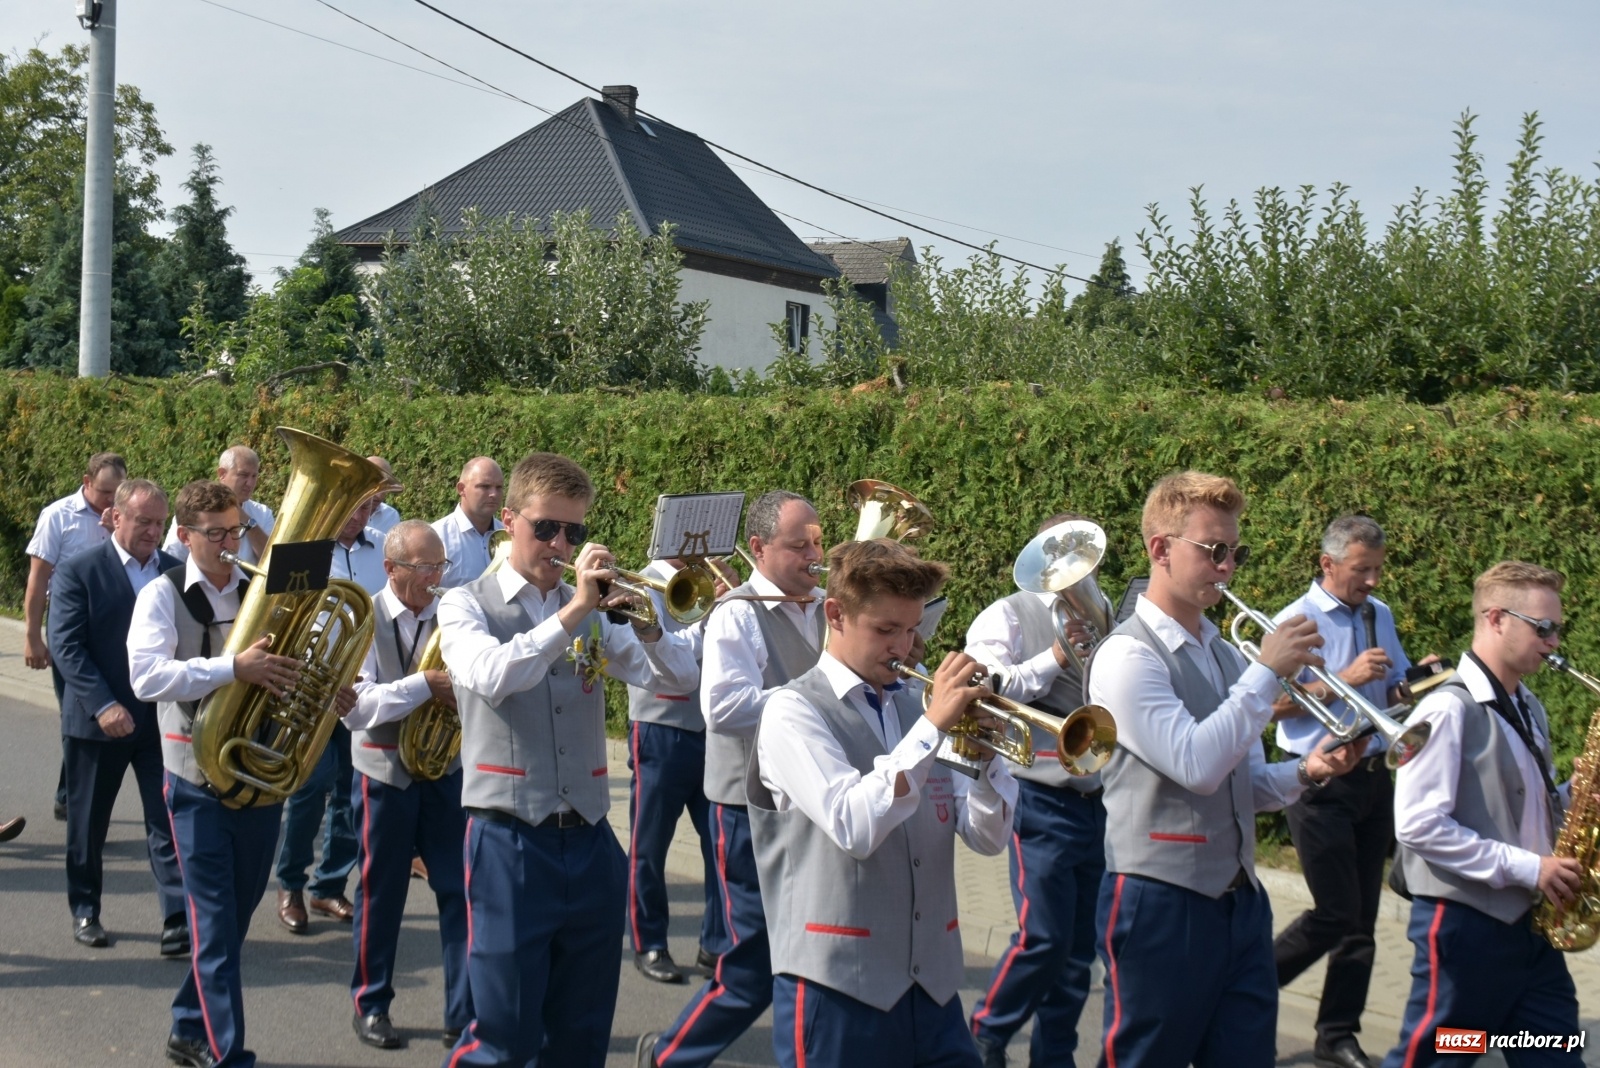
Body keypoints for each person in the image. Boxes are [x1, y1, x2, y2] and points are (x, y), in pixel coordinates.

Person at [1084, 471, 1365, 1068]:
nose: (1229, 567)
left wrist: (1310, 771)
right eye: (1214, 551)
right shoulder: (1127, 655)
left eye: (1235, 551)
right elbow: (1197, 765)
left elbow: (1242, 785)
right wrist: (1265, 675)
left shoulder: (1221, 650)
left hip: (1240, 902)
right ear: (1160, 549)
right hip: (1159, 899)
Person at [437, 451, 699, 1068]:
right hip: (508, 840)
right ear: (507, 520)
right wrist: (576, 610)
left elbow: (678, 680)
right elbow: (493, 676)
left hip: (588, 840)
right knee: (503, 1037)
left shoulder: (595, 612)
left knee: (581, 1036)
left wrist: (648, 626)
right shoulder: (464, 603)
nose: (560, 543)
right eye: (546, 528)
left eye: (574, 532)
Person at [748, 538, 1016, 1067]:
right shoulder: (791, 710)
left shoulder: (918, 708)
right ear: (836, 615)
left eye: (912, 628)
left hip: (935, 992)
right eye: (885, 630)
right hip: (839, 988)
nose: (902, 647)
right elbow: (854, 826)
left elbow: (987, 837)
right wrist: (932, 728)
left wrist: (986, 765)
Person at [131, 479, 355, 1068]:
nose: (231, 543)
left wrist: (325, 684)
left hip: (257, 777)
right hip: (194, 781)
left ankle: (186, 1027)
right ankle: (228, 1053)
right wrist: (234, 668)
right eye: (215, 534)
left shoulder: (269, 586)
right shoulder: (162, 596)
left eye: (235, 529)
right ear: (184, 537)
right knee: (212, 925)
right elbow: (146, 678)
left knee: (232, 920)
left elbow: (298, 661)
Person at [640, 491, 826, 1068]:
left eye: (819, 542)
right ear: (758, 548)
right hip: (747, 807)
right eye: (799, 545)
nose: (814, 555)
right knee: (748, 967)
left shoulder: (827, 605)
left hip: (809, 802)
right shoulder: (737, 612)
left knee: (812, 953)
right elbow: (724, 708)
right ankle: (669, 1055)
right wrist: (818, 695)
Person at [1382, 561, 1584, 1068]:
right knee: (1440, 1056)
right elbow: (1417, 824)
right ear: (1495, 618)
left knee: (1554, 1051)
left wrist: (1577, 793)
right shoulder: (1446, 709)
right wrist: (1530, 868)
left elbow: (1522, 807)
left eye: (1557, 628)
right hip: (1466, 930)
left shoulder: (1528, 705)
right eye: (1543, 628)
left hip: (1529, 930)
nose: (1554, 641)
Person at [1271, 516, 1421, 1068]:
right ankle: (1243, 988)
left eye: (1378, 569)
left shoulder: (1377, 614)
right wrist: (1346, 680)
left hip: (1373, 775)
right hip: (1315, 778)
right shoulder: (1295, 620)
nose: (1374, 581)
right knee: (1334, 911)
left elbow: (1396, 684)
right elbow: (1267, 705)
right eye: (1363, 570)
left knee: (1361, 919)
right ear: (1328, 564)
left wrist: (1420, 680)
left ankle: (1336, 1034)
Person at [967, 513, 1106, 1068]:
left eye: (1083, 563)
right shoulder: (1007, 614)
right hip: (1039, 791)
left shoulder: (1101, 609)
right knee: (1043, 938)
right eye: (1066, 561)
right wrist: (1053, 656)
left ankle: (1056, 1056)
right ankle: (987, 1031)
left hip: (1094, 792)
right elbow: (991, 688)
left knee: (1078, 952)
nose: (1076, 576)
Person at [343, 520, 472, 1050]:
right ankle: (370, 1005)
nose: (435, 577)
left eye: (440, 566)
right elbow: (357, 708)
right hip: (382, 774)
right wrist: (425, 686)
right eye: (424, 568)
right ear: (391, 569)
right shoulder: (360, 619)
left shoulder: (456, 613)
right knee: (382, 893)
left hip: (445, 772)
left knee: (461, 892)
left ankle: (463, 1013)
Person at [48, 479, 184, 953]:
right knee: (88, 826)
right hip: (97, 722)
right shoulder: (78, 570)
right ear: (117, 517)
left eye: (159, 523)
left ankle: (176, 919)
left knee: (167, 821)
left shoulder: (175, 570)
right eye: (143, 521)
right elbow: (66, 647)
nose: (152, 531)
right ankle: (85, 910)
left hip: (159, 722)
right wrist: (104, 705)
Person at [275, 494, 382, 935]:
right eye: (354, 506)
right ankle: (291, 884)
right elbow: (278, 620)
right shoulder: (301, 549)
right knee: (308, 786)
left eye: (367, 508)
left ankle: (330, 884)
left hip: (360, 686)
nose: (359, 517)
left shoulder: (383, 549)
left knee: (351, 792)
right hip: (312, 685)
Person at [624, 557, 734, 984]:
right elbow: (664, 653)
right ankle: (650, 942)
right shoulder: (642, 585)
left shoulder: (714, 585)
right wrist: (712, 619)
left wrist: (736, 606)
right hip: (659, 725)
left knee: (720, 847)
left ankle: (716, 944)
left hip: (709, 729)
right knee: (649, 846)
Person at [24, 451, 126, 820]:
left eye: (118, 494)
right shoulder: (58, 516)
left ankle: (75, 793)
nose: (111, 501)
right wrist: (33, 636)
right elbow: (38, 579)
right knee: (76, 709)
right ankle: (71, 796)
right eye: (104, 493)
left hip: (114, 623)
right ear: (86, 483)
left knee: (107, 708)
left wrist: (116, 530)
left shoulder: (124, 518)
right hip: (70, 624)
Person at [163, 446, 275, 567]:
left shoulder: (263, 513)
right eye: (243, 475)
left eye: (254, 476)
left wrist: (247, 521)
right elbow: (172, 558)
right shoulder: (192, 509)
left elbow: (272, 561)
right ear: (222, 474)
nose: (250, 483)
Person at [431, 457, 504, 589]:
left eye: (499, 487)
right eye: (485, 486)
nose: (493, 494)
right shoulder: (436, 537)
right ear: (461, 489)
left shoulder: (509, 535)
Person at [366, 456, 402, 536]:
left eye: (385, 487)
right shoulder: (344, 514)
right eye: (374, 486)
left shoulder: (391, 515)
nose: (379, 495)